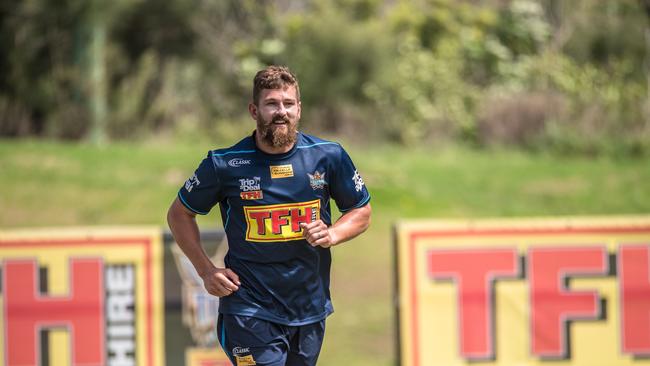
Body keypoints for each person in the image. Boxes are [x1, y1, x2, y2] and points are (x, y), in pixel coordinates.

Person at [167, 65, 372, 366]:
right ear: (254, 110)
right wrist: (206, 271)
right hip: (248, 309)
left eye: (288, 104)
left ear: (299, 109)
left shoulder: (328, 156)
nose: (281, 112)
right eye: (271, 104)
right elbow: (179, 214)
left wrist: (332, 234)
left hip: (309, 308)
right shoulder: (224, 164)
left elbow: (361, 210)